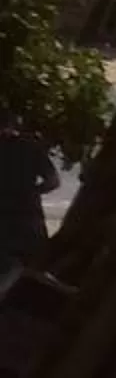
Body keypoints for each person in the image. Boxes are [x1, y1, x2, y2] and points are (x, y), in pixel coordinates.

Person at [0, 114, 57, 282]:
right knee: (35, 265)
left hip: (3, 219)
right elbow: (53, 182)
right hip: (29, 216)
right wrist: (32, 192)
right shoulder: (30, 146)